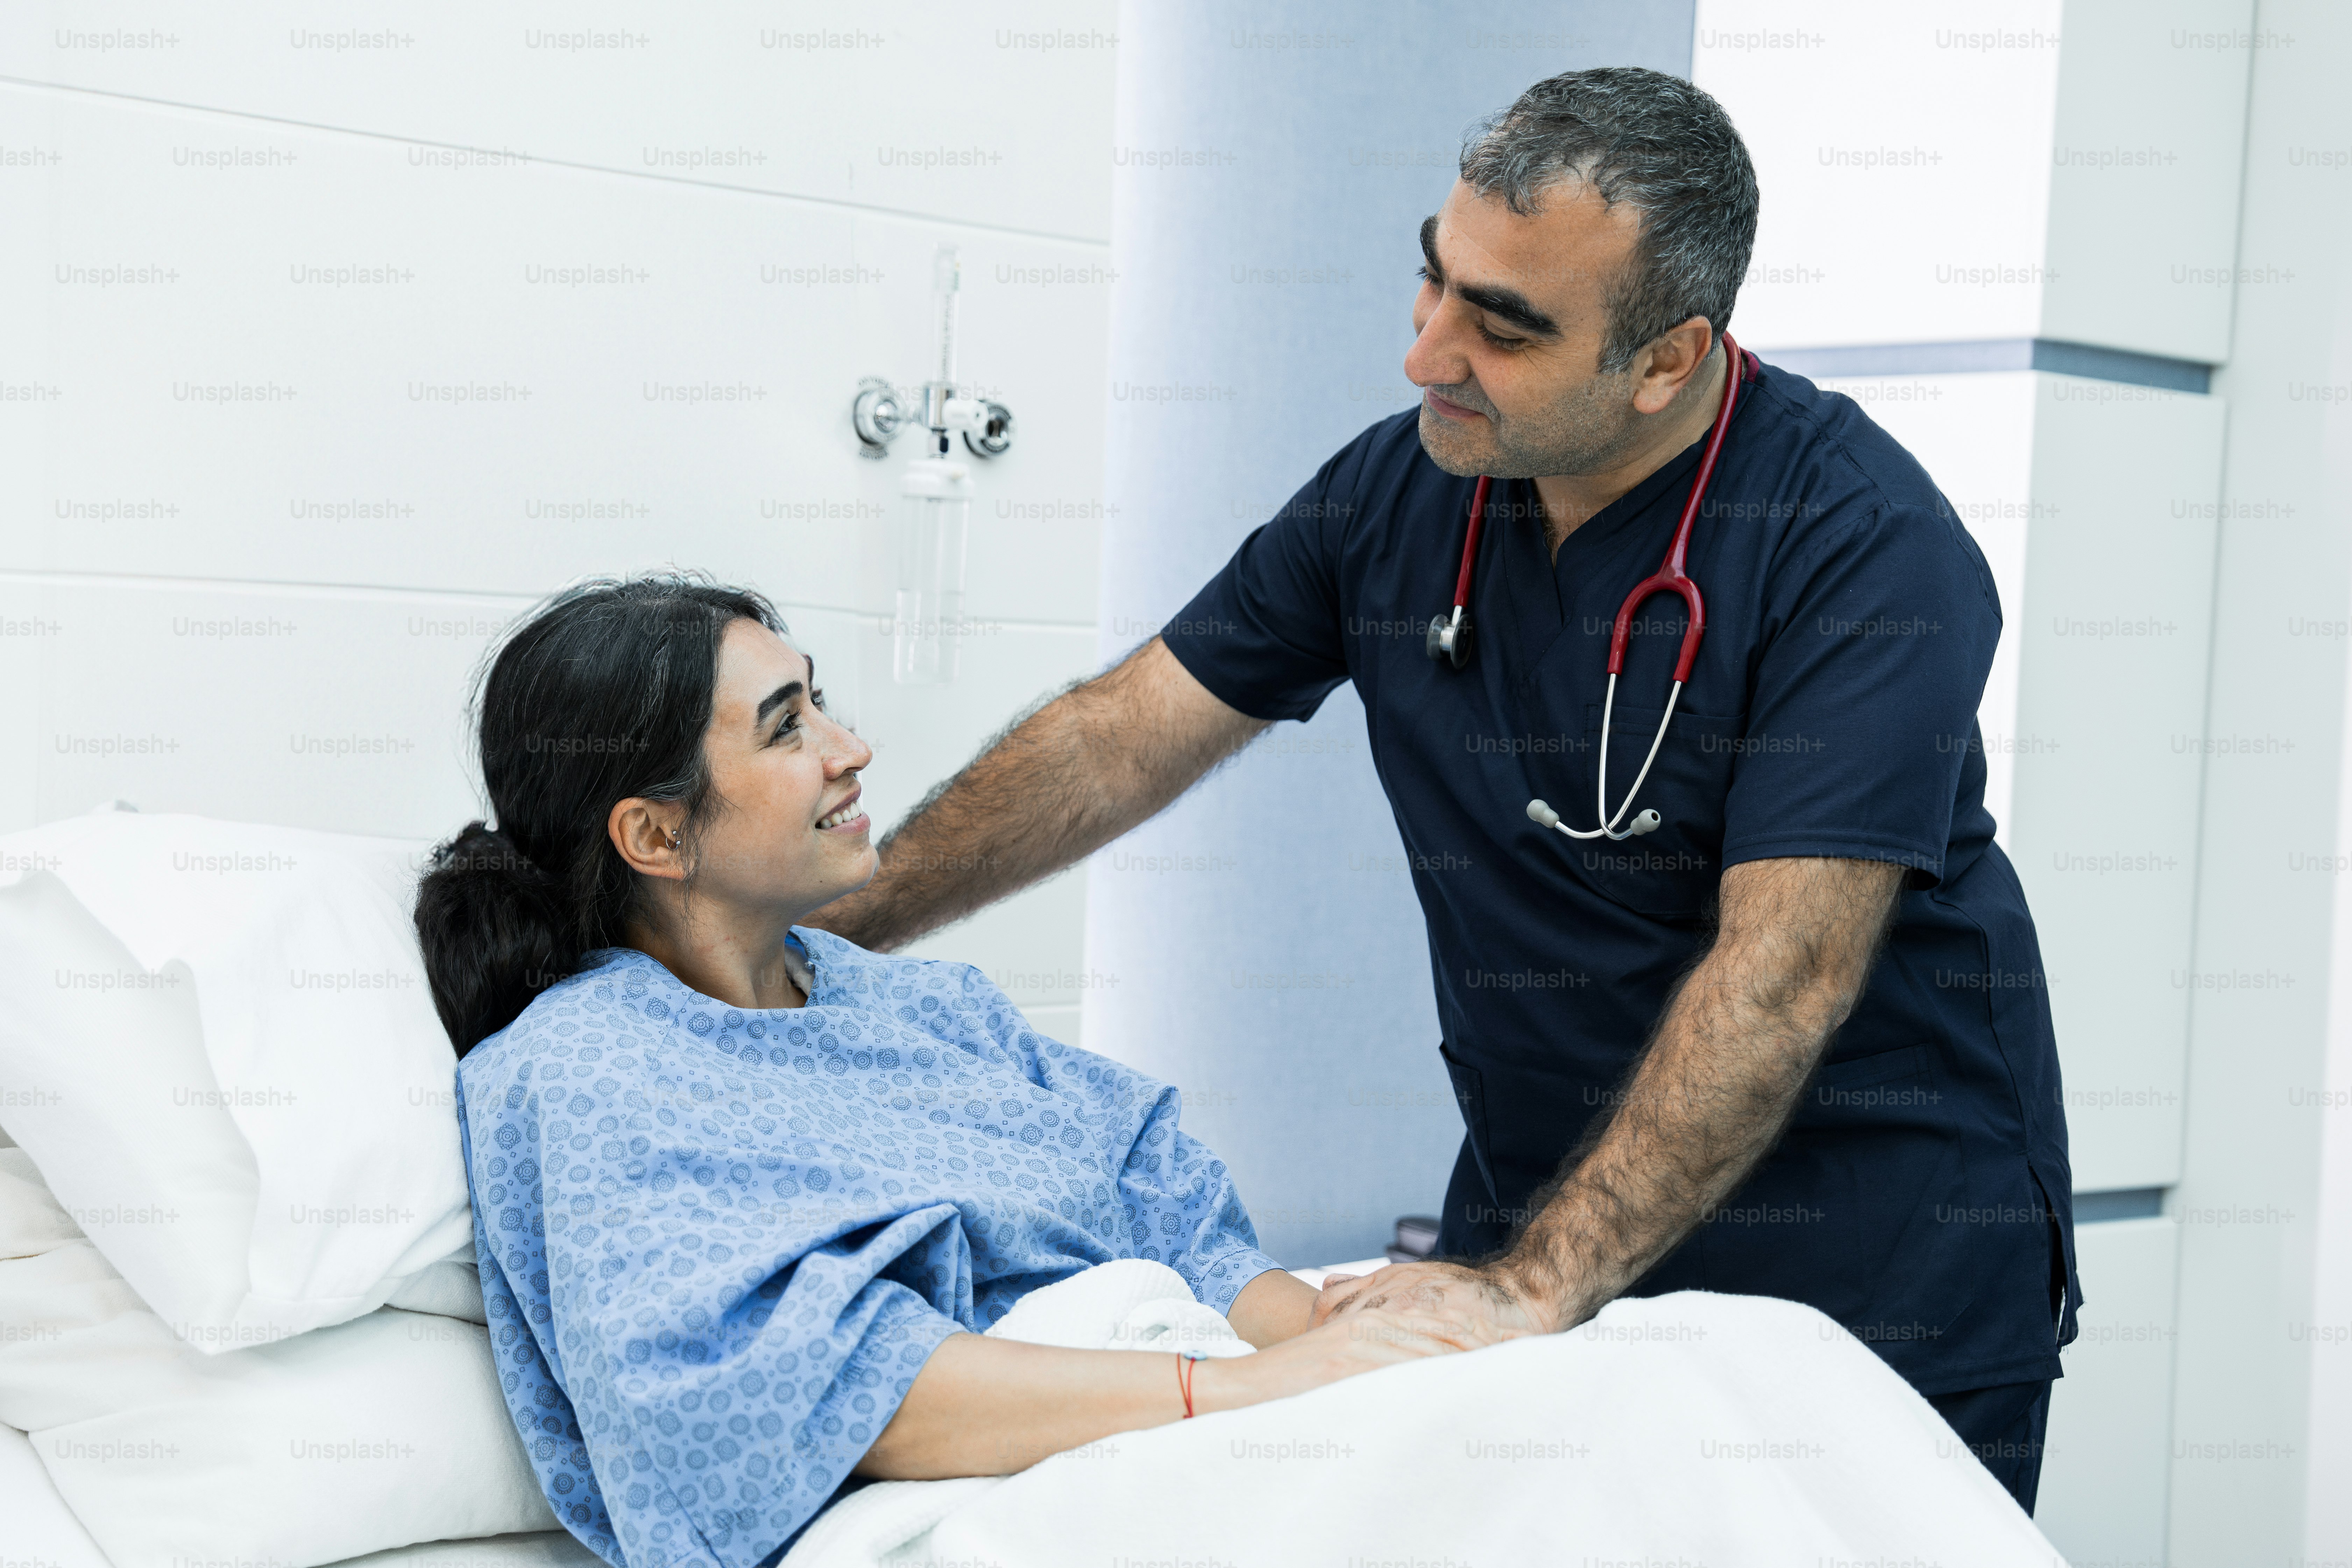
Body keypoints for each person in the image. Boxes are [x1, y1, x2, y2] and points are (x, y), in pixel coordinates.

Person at [808, 66, 2080, 1512]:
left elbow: (1782, 975)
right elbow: (1120, 737)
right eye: (1434, 282)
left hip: (1872, 1255)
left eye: (1502, 327)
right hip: (1542, 1224)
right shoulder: (1403, 492)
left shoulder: (1861, 549)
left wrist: (1536, 1287)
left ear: (1666, 360)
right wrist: (822, 925)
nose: (1425, 355)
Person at [411, 576, 1500, 1567]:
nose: (851, 749)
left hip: (1182, 1400)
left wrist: (1333, 1333)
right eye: (787, 729)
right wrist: (1234, 1391)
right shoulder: (581, 1064)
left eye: (821, 702)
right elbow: (759, 1397)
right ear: (655, 833)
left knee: (1611, 1385)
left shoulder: (918, 1003)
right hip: (973, 1498)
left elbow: (1165, 1205)